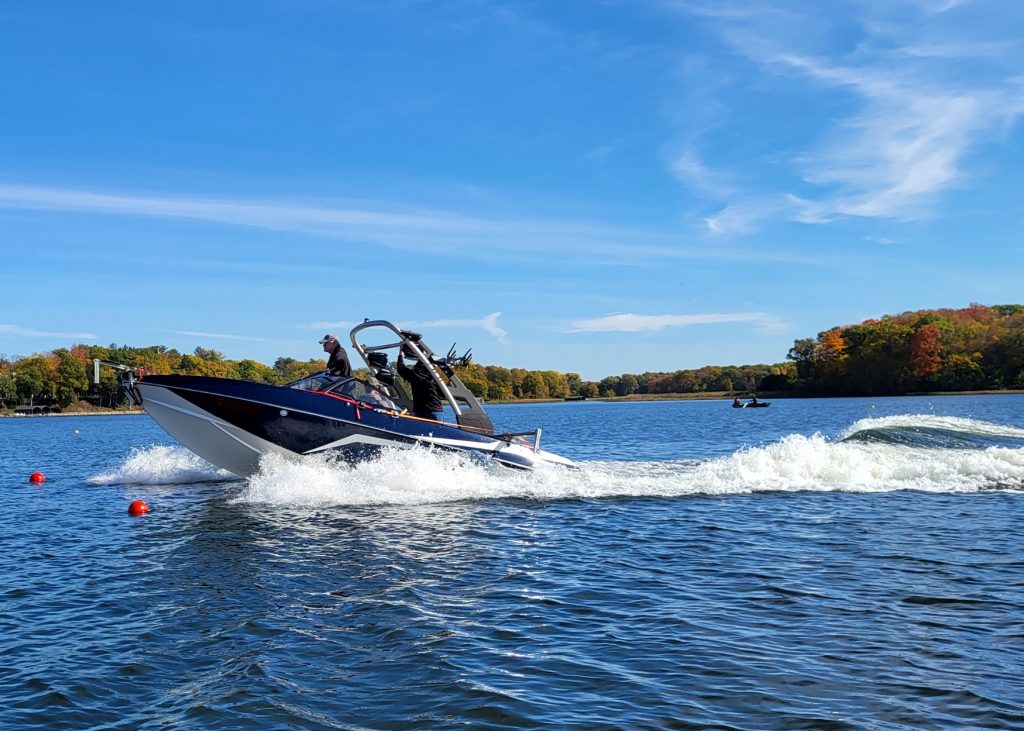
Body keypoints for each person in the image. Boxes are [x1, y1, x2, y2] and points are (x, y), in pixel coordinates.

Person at [396, 346, 444, 420]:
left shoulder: (414, 376)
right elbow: (443, 395)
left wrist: (400, 355)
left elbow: (401, 368)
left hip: (420, 410)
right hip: (435, 410)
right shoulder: (434, 378)